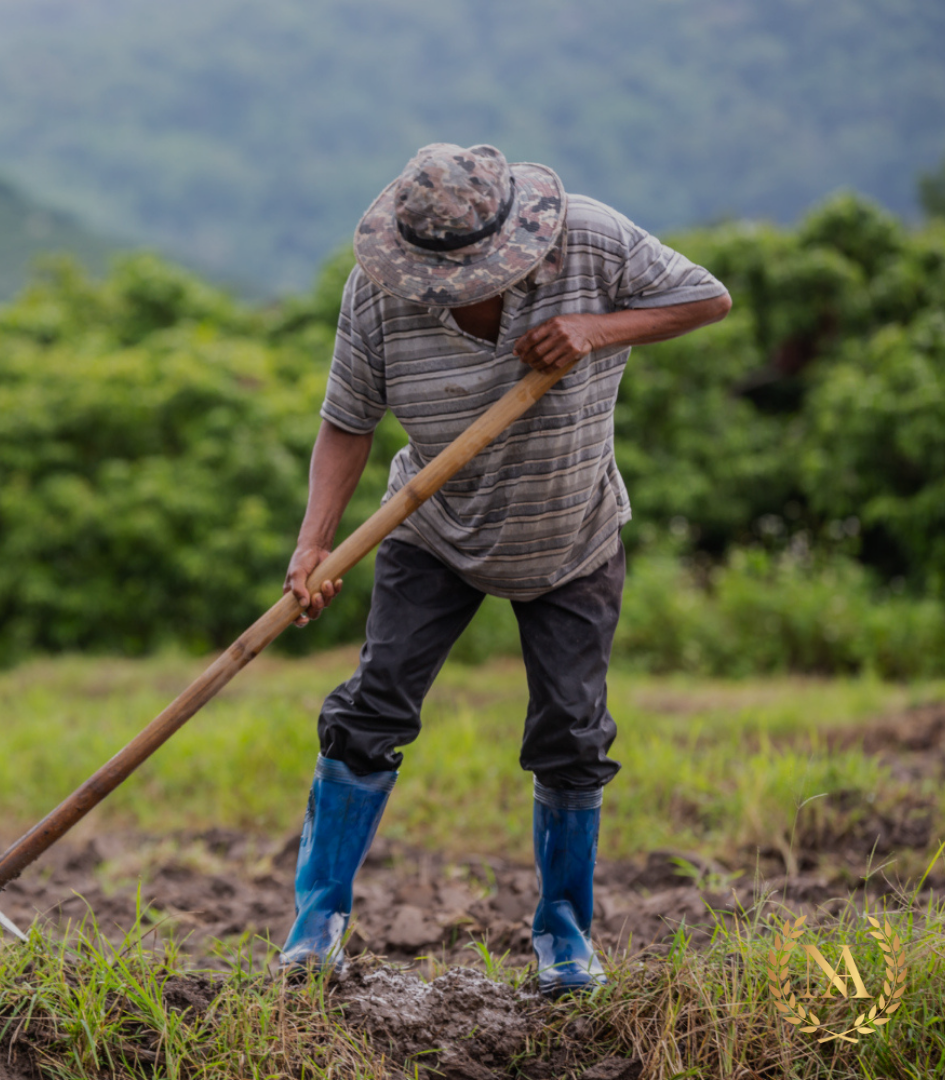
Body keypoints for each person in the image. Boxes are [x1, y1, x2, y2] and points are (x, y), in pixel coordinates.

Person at [278, 143, 731, 995]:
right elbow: (347, 421)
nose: (450, 291)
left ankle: (564, 938)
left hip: (572, 532)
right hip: (432, 526)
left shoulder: (592, 240)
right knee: (371, 709)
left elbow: (707, 298)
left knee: (570, 732)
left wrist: (596, 329)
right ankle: (316, 925)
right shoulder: (379, 293)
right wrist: (314, 544)